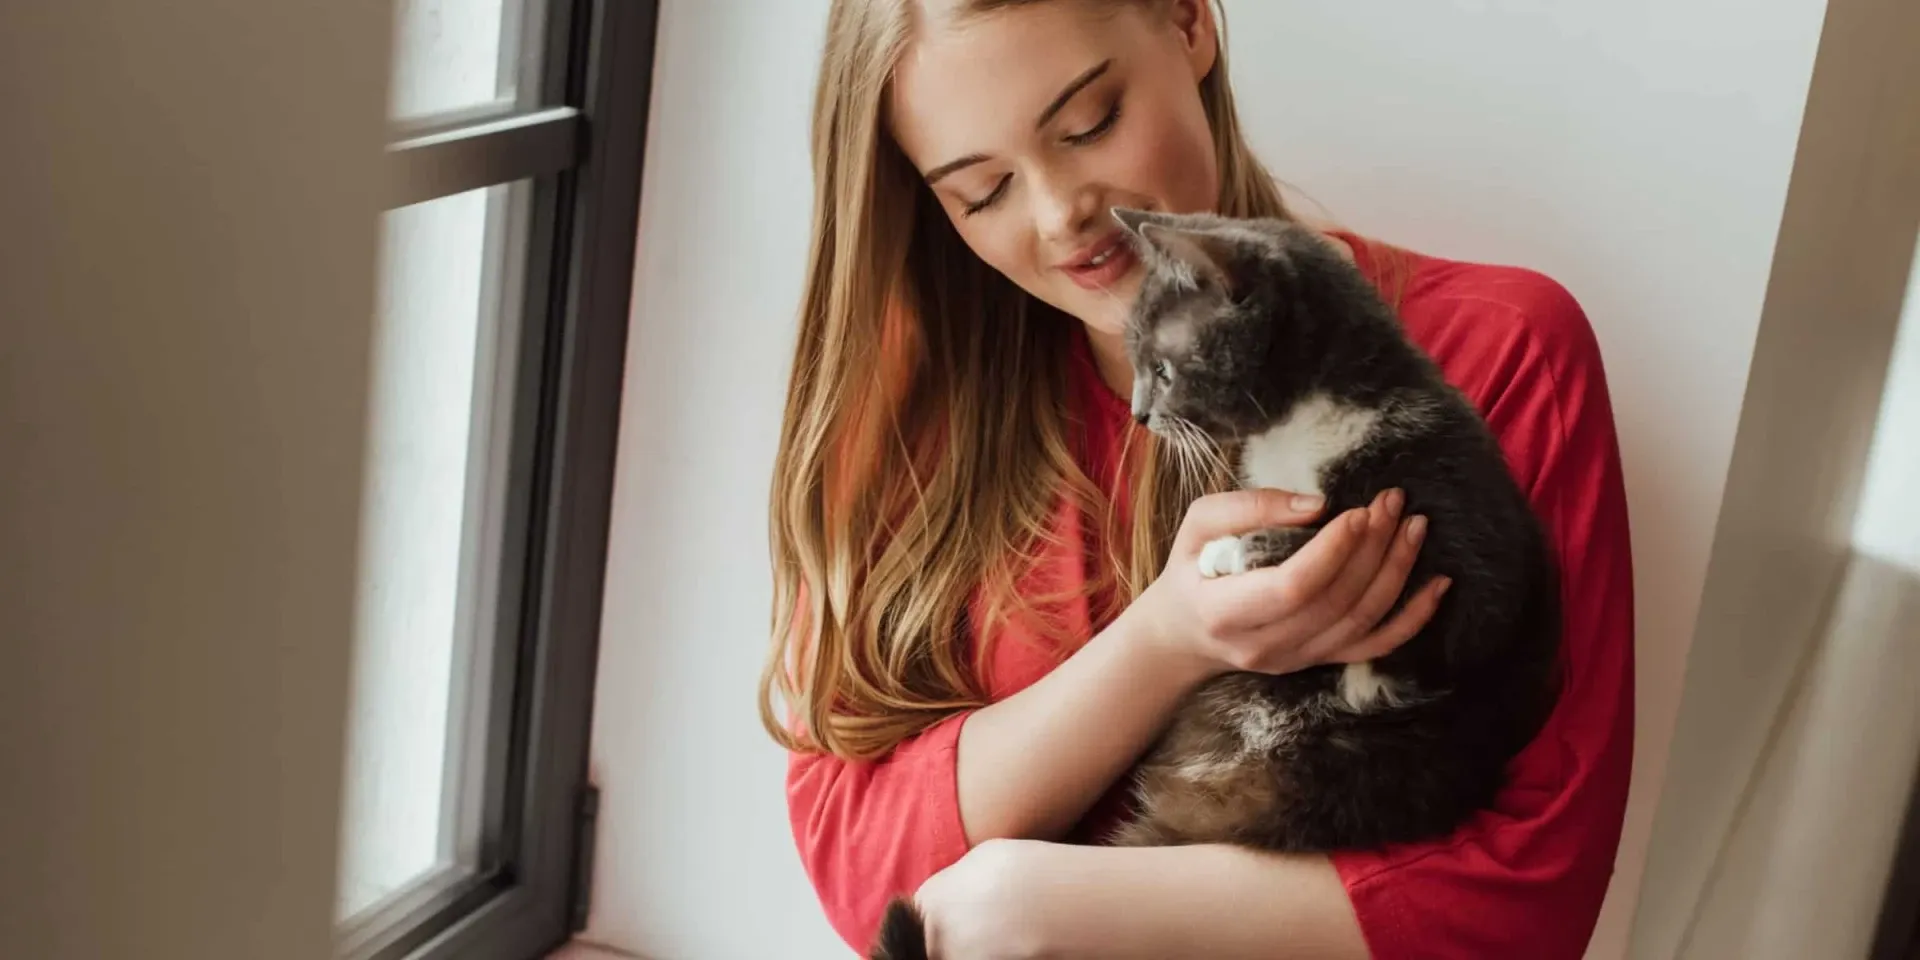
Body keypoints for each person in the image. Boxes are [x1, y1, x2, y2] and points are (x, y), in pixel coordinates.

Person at [759, 1, 1636, 957]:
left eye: (1090, 123)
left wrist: (1050, 904)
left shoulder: (1498, 354)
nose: (1060, 214)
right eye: (983, 191)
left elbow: (1530, 896)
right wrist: (1165, 642)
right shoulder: (911, 413)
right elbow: (859, 861)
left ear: (1186, 22)